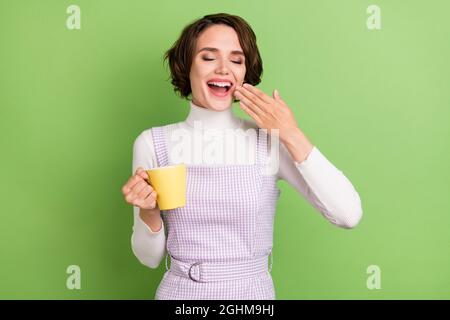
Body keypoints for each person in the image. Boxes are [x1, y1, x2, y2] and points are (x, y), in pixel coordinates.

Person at [121, 13, 363, 300]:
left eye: (236, 60)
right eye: (208, 57)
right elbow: (149, 258)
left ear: (246, 73)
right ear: (186, 66)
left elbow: (348, 214)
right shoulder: (153, 143)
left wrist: (291, 133)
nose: (224, 69)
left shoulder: (269, 140)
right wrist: (148, 212)